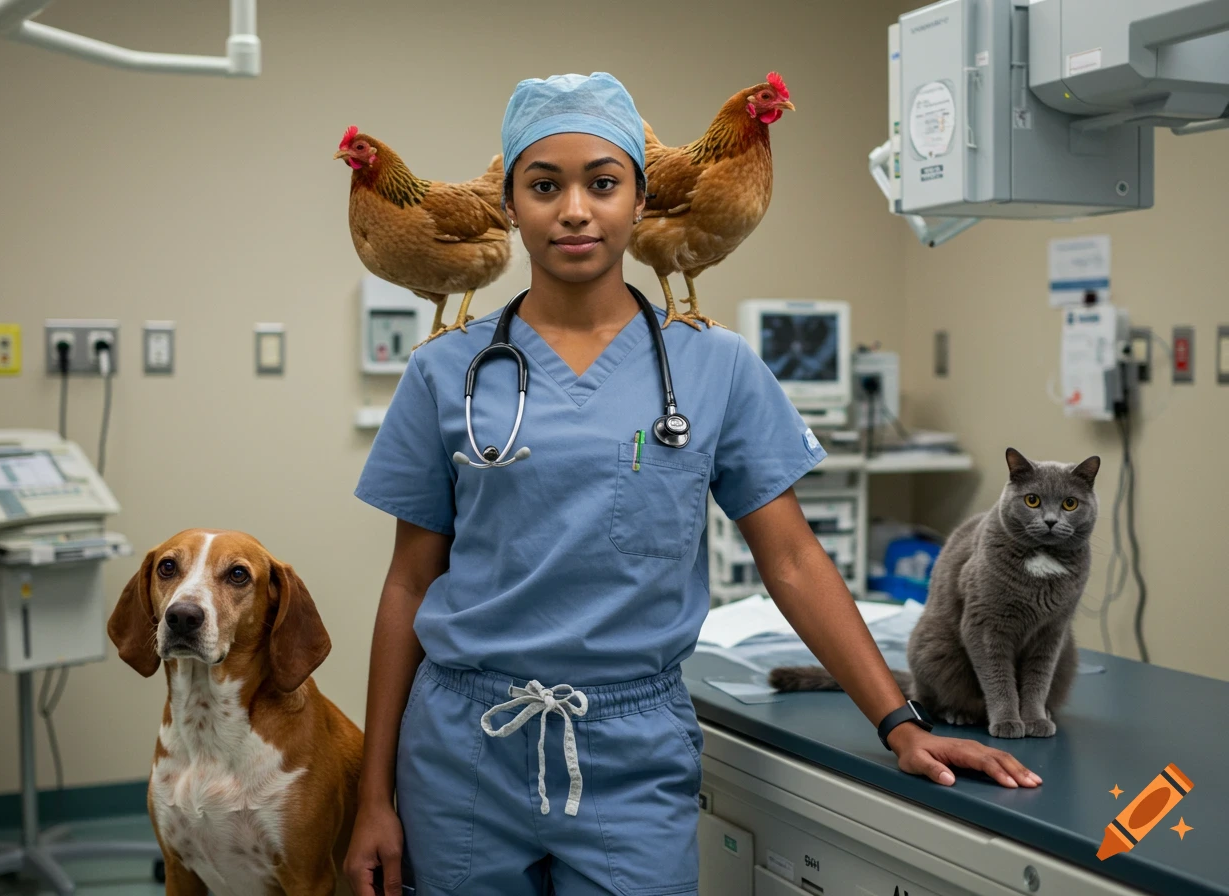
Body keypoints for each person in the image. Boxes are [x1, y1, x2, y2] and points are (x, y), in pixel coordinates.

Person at [343, 72, 1040, 896]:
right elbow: (408, 585)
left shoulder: (717, 368)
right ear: (509, 205)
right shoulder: (443, 373)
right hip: (462, 751)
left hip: (633, 756)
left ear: (640, 200)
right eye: (544, 185)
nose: (575, 209)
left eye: (603, 183)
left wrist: (900, 723)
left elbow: (792, 561)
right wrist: (373, 795)